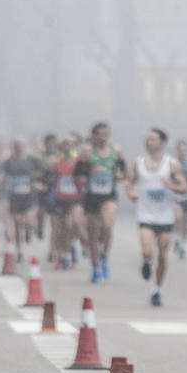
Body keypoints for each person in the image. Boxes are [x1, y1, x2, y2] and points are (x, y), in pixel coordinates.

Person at [127, 127, 187, 307]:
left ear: (162, 142)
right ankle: (146, 261)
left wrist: (172, 186)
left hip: (165, 216)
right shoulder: (138, 163)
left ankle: (157, 289)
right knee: (148, 251)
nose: (148, 142)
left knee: (162, 255)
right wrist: (131, 193)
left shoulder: (171, 164)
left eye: (152, 139)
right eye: (147, 139)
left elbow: (183, 187)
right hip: (145, 214)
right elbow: (129, 182)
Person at [78, 121, 126, 283]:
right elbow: (77, 172)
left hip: (108, 195)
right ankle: (96, 265)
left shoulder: (115, 151)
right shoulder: (87, 152)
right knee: (93, 234)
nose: (102, 138)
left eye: (105, 134)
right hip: (92, 195)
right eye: (99, 134)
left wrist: (120, 175)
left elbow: (123, 169)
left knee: (107, 226)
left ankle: (104, 257)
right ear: (93, 136)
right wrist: (90, 171)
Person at [2, 139, 46, 259]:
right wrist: (4, 189)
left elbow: (43, 171)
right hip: (15, 196)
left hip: (29, 195)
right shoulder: (9, 162)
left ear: (25, 147)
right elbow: (4, 177)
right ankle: (19, 250)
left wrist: (37, 181)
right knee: (17, 223)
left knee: (29, 220)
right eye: (16, 146)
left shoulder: (32, 160)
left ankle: (28, 231)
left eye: (21, 146)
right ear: (13, 148)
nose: (19, 148)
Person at [49, 134, 84, 269]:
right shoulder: (56, 162)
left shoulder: (79, 161)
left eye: (71, 144)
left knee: (73, 224)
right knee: (61, 230)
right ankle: (63, 256)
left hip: (75, 198)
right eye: (66, 144)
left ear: (75, 146)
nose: (68, 146)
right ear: (62, 146)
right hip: (60, 198)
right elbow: (50, 177)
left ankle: (72, 248)